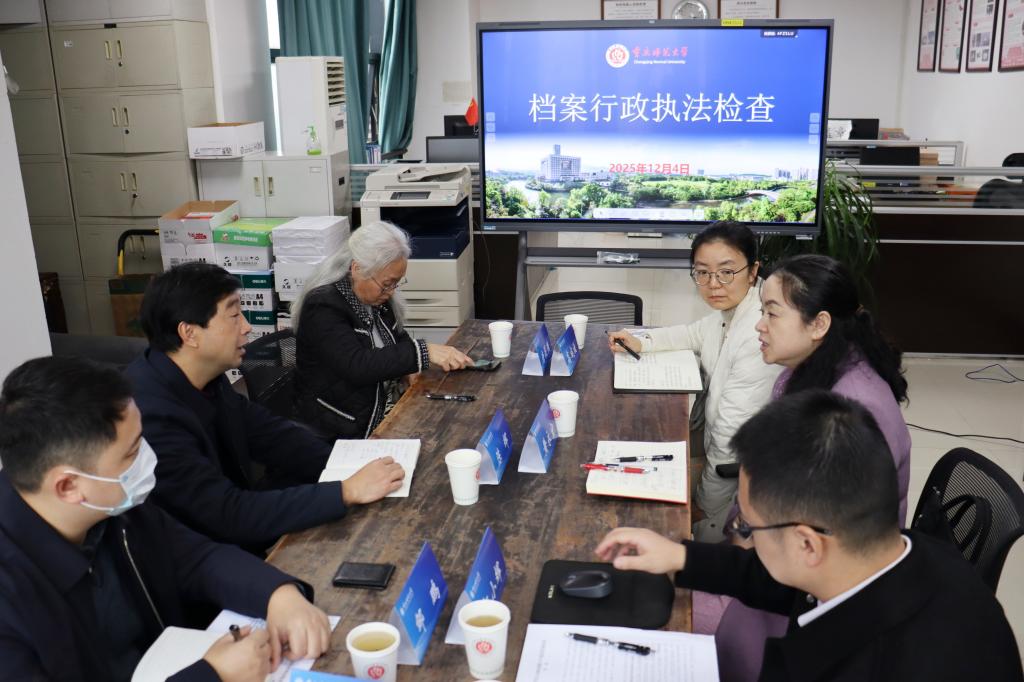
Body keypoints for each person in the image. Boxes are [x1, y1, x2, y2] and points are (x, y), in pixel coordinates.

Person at [596, 390, 1022, 682]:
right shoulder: (907, 552)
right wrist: (681, 557)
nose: (744, 534)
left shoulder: (880, 665)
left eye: (748, 527)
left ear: (807, 544)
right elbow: (784, 580)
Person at [0, 356, 333, 681]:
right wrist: (213, 675)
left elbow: (196, 558)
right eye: (132, 452)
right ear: (68, 486)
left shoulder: (114, 509)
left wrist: (279, 595)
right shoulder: (12, 593)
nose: (149, 458)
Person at [705, 253, 916, 681]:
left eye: (771, 313)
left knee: (668, 613)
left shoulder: (850, 411)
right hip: (783, 555)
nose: (759, 326)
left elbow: (813, 542)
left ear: (819, 324)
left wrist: (740, 544)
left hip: (817, 591)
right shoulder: (810, 370)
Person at [125, 263, 405, 552]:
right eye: (234, 316)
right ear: (189, 333)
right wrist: (345, 491)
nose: (247, 327)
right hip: (189, 559)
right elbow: (228, 515)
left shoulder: (205, 377)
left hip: (228, 537)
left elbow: (272, 435)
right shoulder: (148, 416)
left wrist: (347, 464)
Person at [607, 221, 781, 542]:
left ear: (753, 271)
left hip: (745, 484)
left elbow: (730, 437)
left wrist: (703, 503)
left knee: (635, 496)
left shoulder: (759, 332)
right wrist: (641, 341)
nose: (713, 284)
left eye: (726, 272)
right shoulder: (733, 309)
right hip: (716, 448)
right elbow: (692, 334)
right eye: (702, 272)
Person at [291, 221, 473, 440]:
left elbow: (397, 337)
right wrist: (422, 352)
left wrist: (408, 369)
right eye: (387, 283)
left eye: (396, 283)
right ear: (357, 269)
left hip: (383, 410)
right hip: (341, 430)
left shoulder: (376, 299)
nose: (391, 291)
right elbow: (357, 365)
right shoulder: (323, 307)